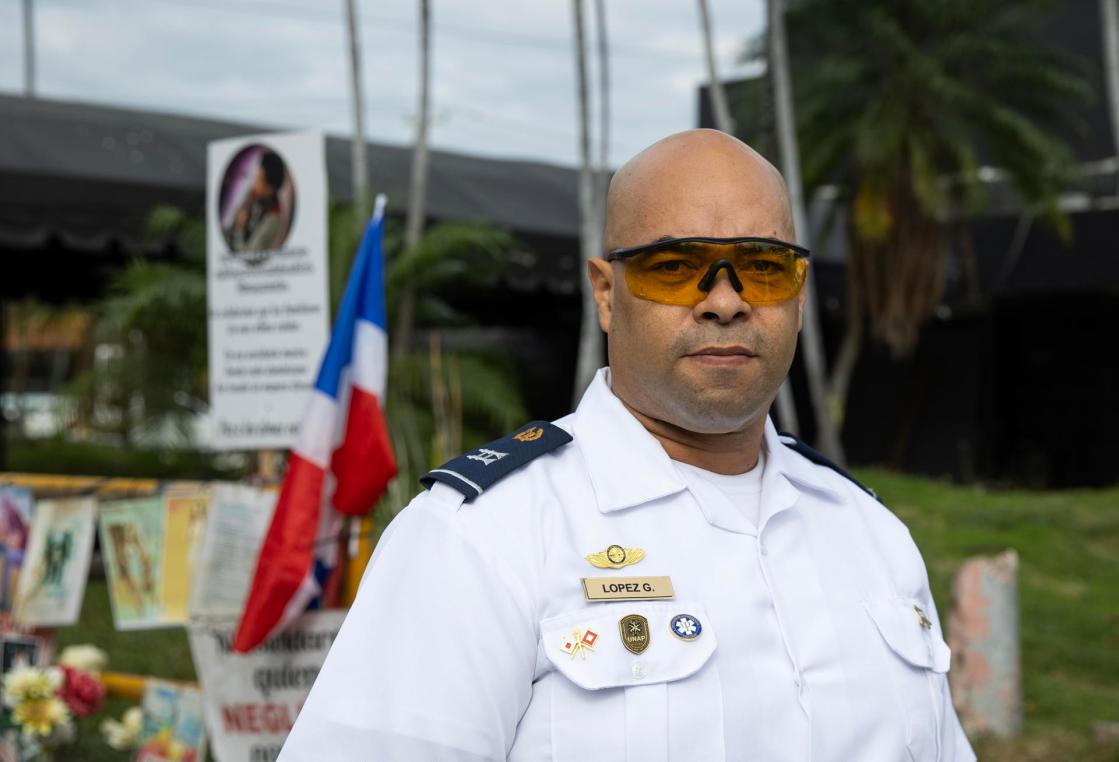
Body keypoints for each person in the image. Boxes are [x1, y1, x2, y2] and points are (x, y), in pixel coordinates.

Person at [279, 130, 975, 761]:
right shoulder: (483, 539)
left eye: (762, 267)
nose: (725, 301)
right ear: (606, 294)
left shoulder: (867, 533)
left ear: (797, 292)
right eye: (674, 267)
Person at [229, 150, 287, 252]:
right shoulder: (253, 199)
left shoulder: (273, 217)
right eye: (254, 177)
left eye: (259, 180)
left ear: (271, 189)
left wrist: (239, 229)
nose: (253, 185)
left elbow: (249, 254)